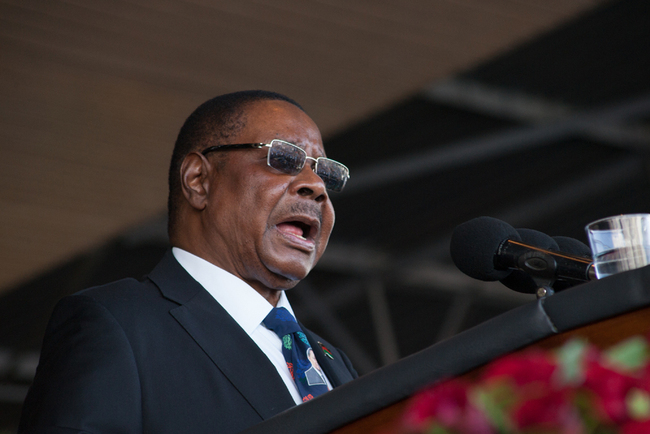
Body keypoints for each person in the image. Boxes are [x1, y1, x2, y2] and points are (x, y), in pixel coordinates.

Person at [19, 90, 358, 433]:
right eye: (285, 158)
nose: (316, 186)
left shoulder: (332, 361)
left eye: (326, 174)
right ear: (198, 180)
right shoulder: (116, 323)